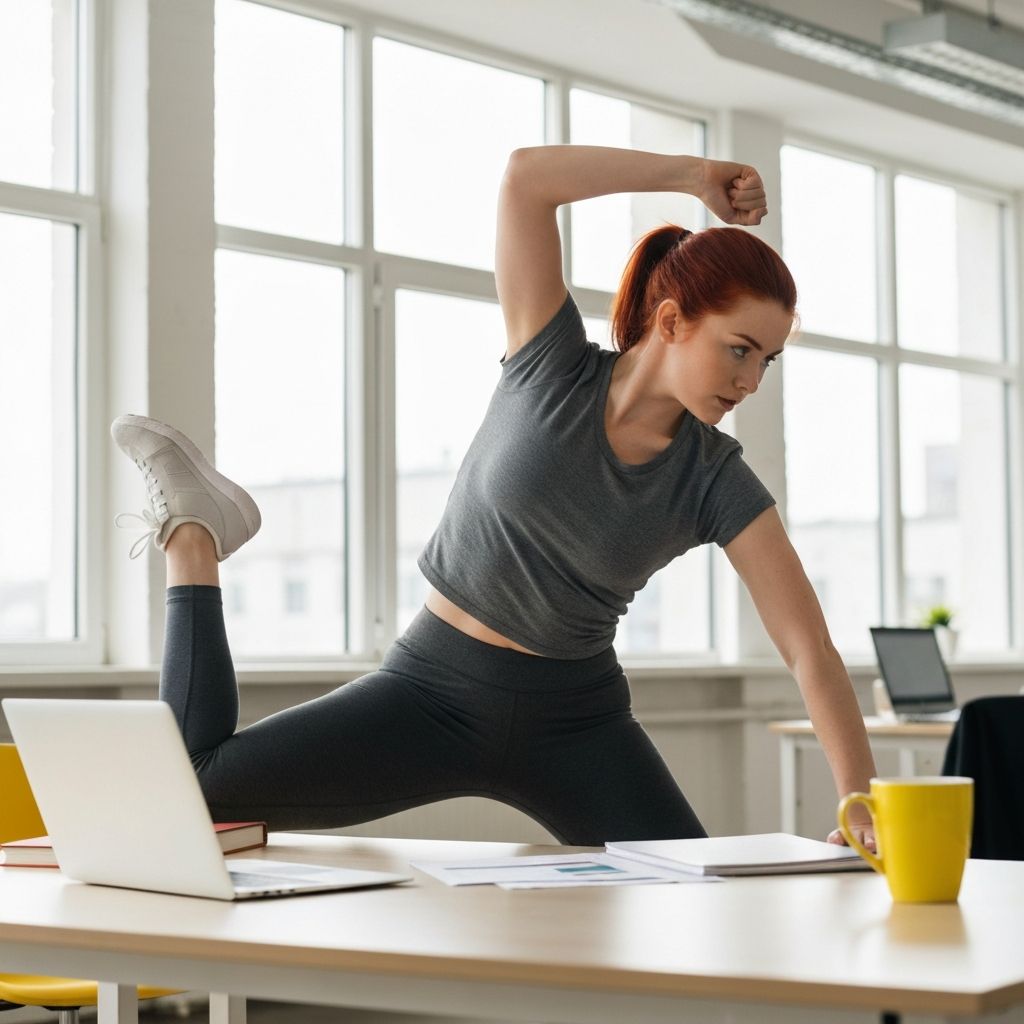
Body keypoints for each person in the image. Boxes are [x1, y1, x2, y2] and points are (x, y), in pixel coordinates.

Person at [112, 145, 876, 849]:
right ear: (672, 321)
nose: (750, 381)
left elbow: (809, 648)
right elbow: (525, 180)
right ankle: (194, 532)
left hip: (577, 724)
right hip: (426, 691)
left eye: (768, 361)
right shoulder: (550, 360)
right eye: (738, 349)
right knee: (192, 790)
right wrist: (689, 174)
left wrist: (858, 800)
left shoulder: (716, 476)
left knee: (695, 903)